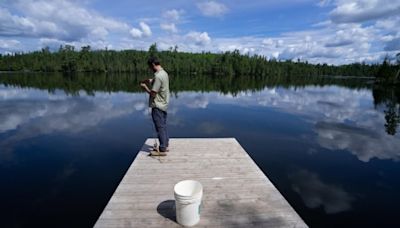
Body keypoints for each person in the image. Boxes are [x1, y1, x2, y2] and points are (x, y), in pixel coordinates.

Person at [140, 57, 170, 156]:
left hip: (157, 105)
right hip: (164, 104)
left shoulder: (158, 76)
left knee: (159, 127)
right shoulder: (164, 73)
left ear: (153, 64)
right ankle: (165, 144)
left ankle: (162, 149)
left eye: (149, 67)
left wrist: (145, 88)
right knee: (163, 126)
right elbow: (157, 81)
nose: (149, 69)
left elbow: (153, 93)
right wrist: (148, 80)